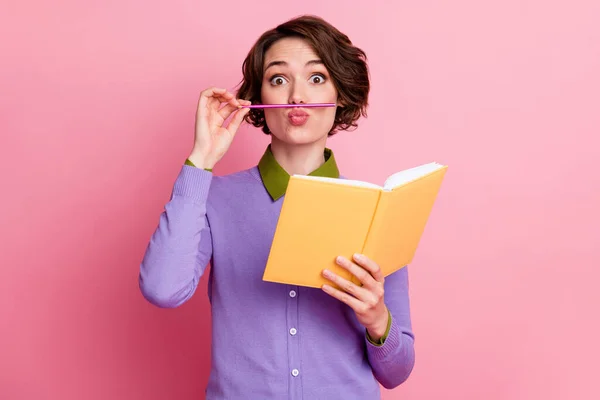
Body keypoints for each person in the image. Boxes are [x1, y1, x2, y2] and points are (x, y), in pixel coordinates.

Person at [139, 14, 415, 400]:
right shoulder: (214, 198)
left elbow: (397, 373)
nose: (297, 96)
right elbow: (162, 289)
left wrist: (377, 320)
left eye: (316, 78)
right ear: (259, 98)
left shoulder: (377, 211)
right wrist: (201, 158)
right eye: (279, 79)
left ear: (342, 94)